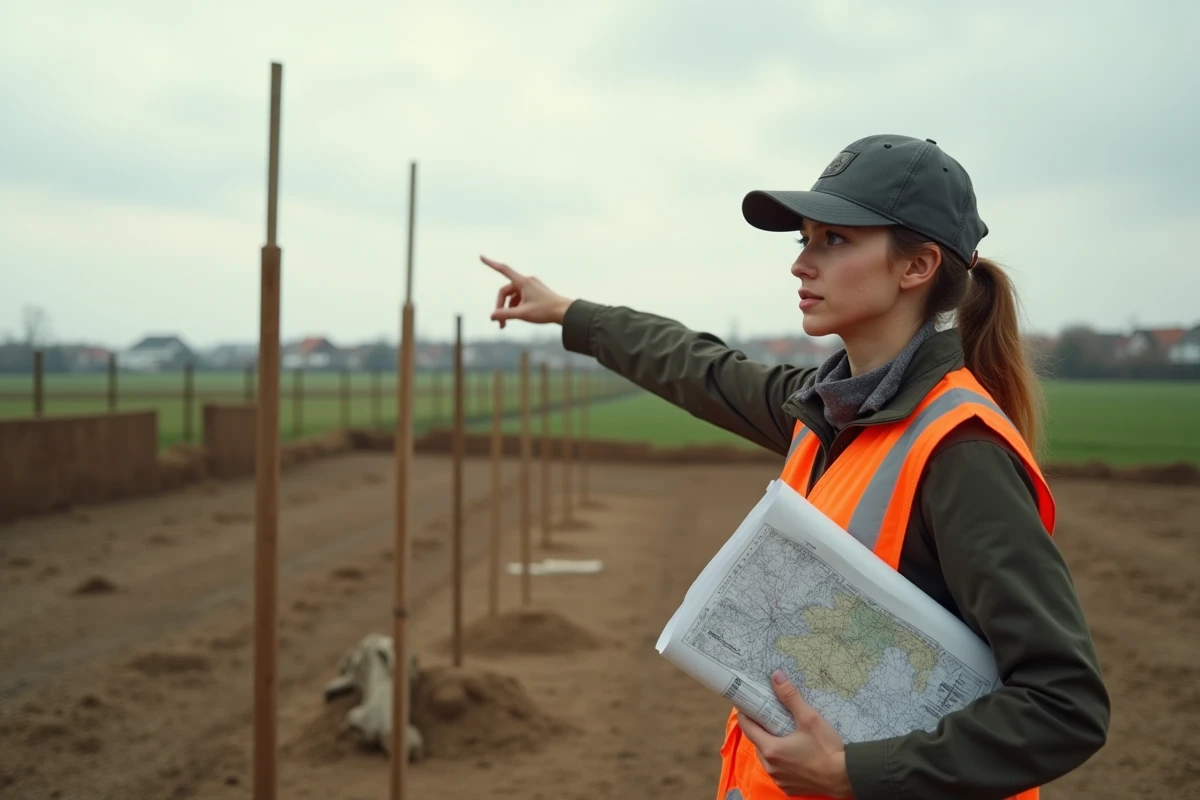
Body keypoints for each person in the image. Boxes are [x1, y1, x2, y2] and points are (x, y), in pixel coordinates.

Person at [480, 134, 1109, 800]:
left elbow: (1064, 705)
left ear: (917, 265)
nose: (801, 265)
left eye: (833, 241)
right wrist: (569, 313)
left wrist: (852, 776)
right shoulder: (826, 408)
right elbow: (702, 369)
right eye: (802, 240)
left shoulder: (960, 452)